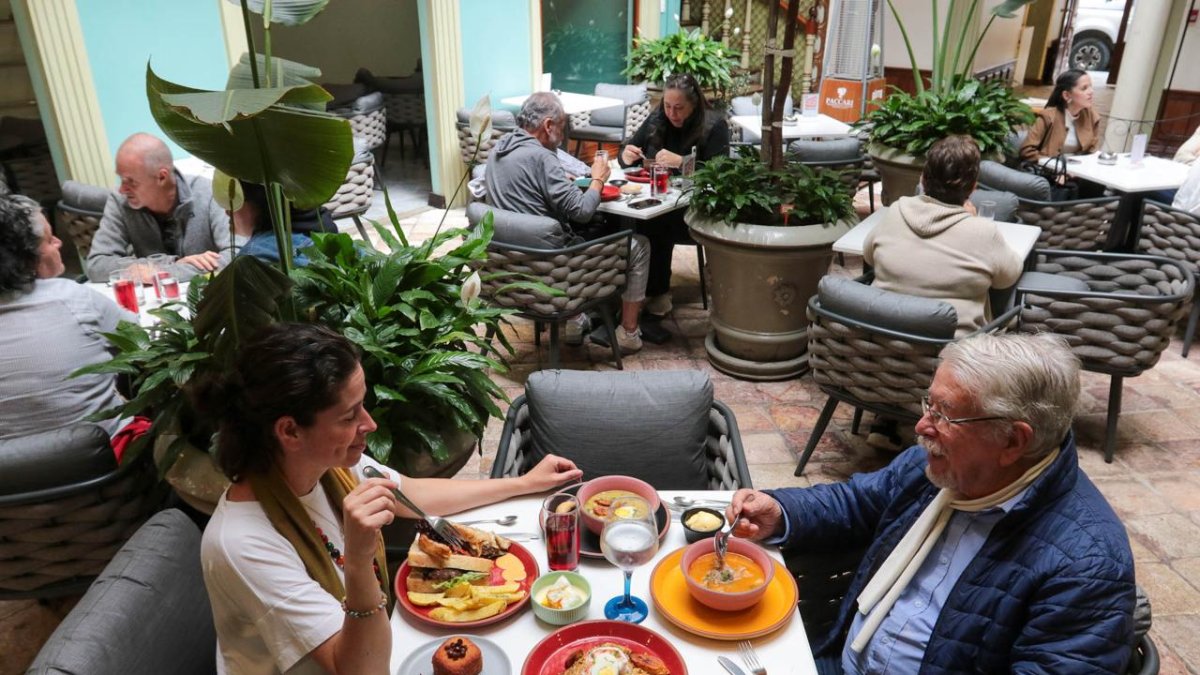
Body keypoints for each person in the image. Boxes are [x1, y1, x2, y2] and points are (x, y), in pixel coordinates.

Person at [729, 332, 1136, 673]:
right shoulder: (936, 468)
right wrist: (780, 511)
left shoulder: (1088, 567)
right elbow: (856, 502)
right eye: (930, 404)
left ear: (1013, 440)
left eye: (946, 415)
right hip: (842, 660)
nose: (923, 426)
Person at [196, 322, 582, 675]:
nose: (370, 424)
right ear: (290, 431)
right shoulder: (243, 543)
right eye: (349, 417)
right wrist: (360, 561)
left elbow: (410, 493)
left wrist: (524, 483)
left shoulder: (327, 464)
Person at [485, 92, 653, 352]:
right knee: (638, 244)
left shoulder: (499, 148)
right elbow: (582, 211)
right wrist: (598, 178)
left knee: (597, 227)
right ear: (548, 125)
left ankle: (577, 319)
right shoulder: (542, 157)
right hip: (552, 268)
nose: (563, 136)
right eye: (563, 127)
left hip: (509, 262)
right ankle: (628, 333)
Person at [0, 193, 137, 444]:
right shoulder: (73, 298)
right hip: (113, 467)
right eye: (48, 239)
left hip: (15, 481)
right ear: (27, 256)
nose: (59, 242)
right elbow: (140, 341)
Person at [864, 135, 1023, 336]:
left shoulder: (896, 211)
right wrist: (971, 220)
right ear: (973, 188)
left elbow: (868, 256)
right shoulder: (983, 232)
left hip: (883, 338)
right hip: (954, 354)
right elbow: (1009, 277)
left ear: (922, 178)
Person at [619, 73, 730, 317]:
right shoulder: (657, 119)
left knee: (654, 222)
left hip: (694, 210)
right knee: (618, 220)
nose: (672, 113)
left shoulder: (714, 125)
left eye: (679, 108)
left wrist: (683, 162)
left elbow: (721, 174)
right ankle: (624, 291)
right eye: (667, 106)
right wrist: (625, 156)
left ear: (694, 104)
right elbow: (628, 150)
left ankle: (656, 292)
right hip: (653, 198)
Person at [86, 133, 231, 283]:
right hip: (152, 302)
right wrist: (170, 264)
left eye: (131, 181)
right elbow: (96, 265)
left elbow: (237, 255)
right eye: (121, 179)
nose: (122, 189)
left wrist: (161, 273)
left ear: (162, 177)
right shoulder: (119, 201)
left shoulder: (211, 194)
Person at [232, 182, 336, 265]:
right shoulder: (329, 234)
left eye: (235, 200)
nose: (227, 211)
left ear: (258, 199)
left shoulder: (256, 256)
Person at [1020, 69, 1100, 162]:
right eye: (1084, 88)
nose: (1091, 91)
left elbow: (1091, 152)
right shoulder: (1048, 117)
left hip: (1077, 171)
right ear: (1066, 95)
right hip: (1047, 170)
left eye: (1091, 86)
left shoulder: (1092, 117)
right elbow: (1026, 152)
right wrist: (1058, 168)